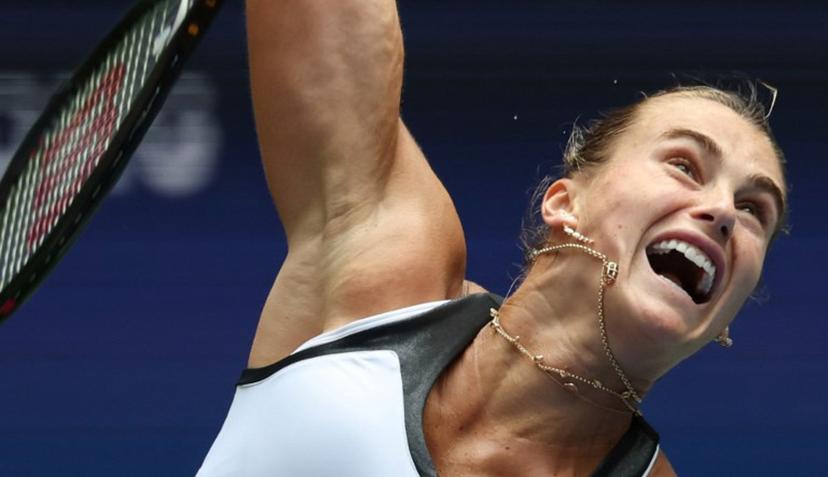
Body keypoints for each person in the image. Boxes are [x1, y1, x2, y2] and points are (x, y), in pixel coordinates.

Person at [197, 1, 787, 476]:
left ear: (726, 314)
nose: (721, 212)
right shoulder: (383, 270)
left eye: (754, 209)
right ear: (565, 202)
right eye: (684, 165)